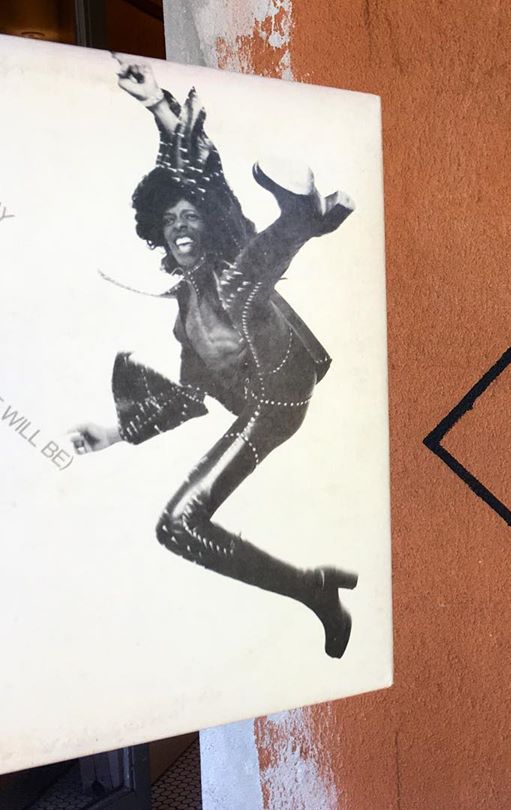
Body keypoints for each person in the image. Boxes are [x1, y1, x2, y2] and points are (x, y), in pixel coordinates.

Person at [68, 55, 359, 659]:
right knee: (176, 526)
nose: (180, 224)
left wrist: (158, 107)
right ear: (159, 236)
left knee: (237, 282)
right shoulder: (186, 319)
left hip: (286, 370)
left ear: (206, 223)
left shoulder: (226, 248)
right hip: (265, 412)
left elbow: (206, 181)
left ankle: (300, 218)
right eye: (169, 221)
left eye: (189, 215)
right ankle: (314, 591)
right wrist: (114, 431)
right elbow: (190, 398)